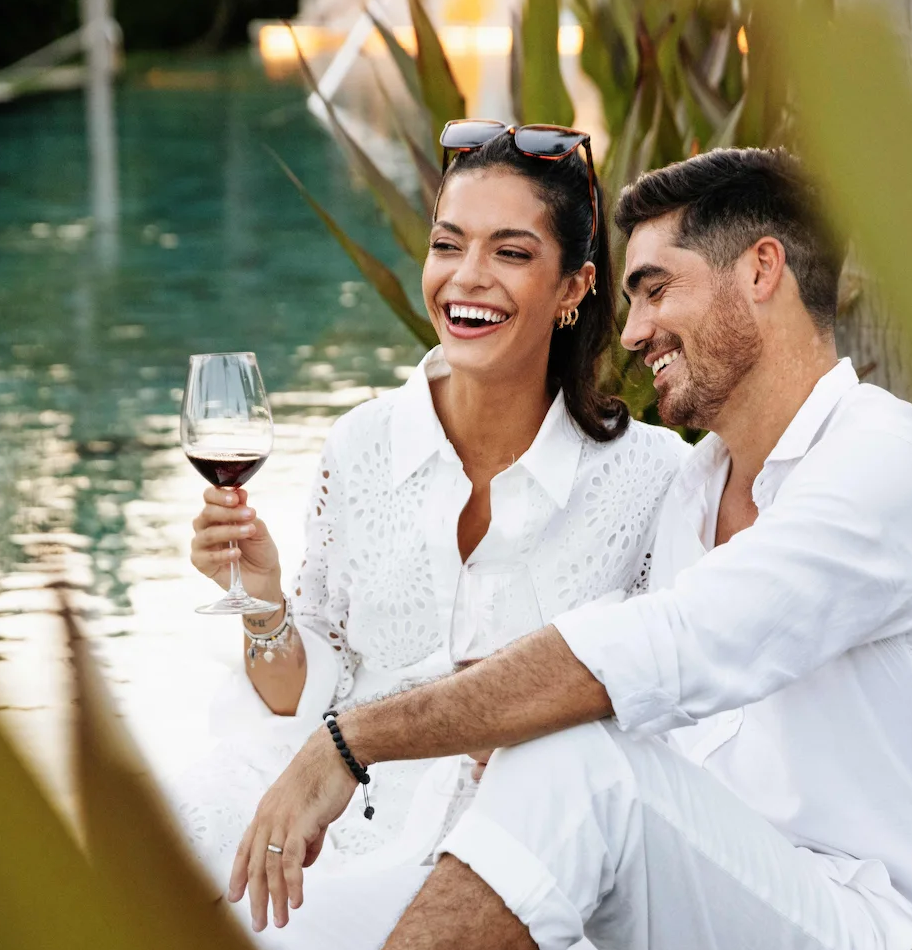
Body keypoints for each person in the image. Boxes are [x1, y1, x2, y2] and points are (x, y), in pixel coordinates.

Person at [229, 147, 912, 950]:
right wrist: (487, 733)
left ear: (760, 272)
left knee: (580, 764)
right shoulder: (693, 492)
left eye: (653, 290)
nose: (632, 331)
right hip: (702, 940)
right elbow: (618, 681)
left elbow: (661, 650)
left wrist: (354, 740)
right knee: (273, 948)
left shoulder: (886, 462)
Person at [166, 122, 687, 902]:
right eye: (448, 246)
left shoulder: (652, 478)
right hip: (334, 811)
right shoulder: (362, 446)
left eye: (510, 253)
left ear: (574, 290)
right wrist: (263, 602)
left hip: (515, 847)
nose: (466, 278)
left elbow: (669, 707)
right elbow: (300, 692)